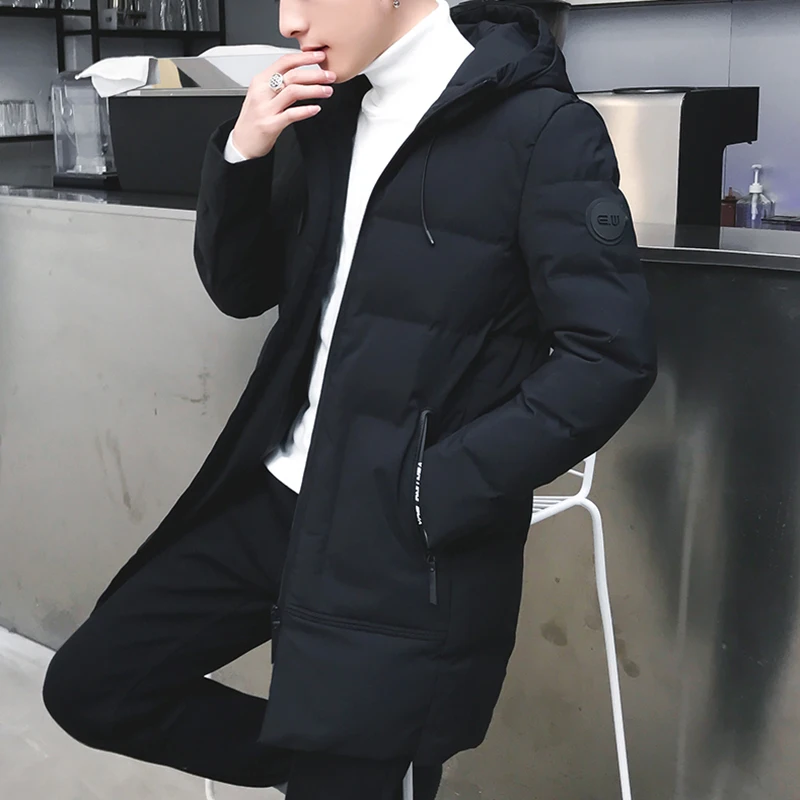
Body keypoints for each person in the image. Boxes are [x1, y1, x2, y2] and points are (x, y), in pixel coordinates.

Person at [42, 0, 657, 797]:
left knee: (353, 771)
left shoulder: (544, 131)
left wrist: (434, 486)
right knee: (93, 685)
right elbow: (240, 289)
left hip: (395, 529)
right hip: (275, 497)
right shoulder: (330, 113)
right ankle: (328, 763)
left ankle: (355, 765)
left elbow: (609, 356)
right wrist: (242, 151)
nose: (289, 20)